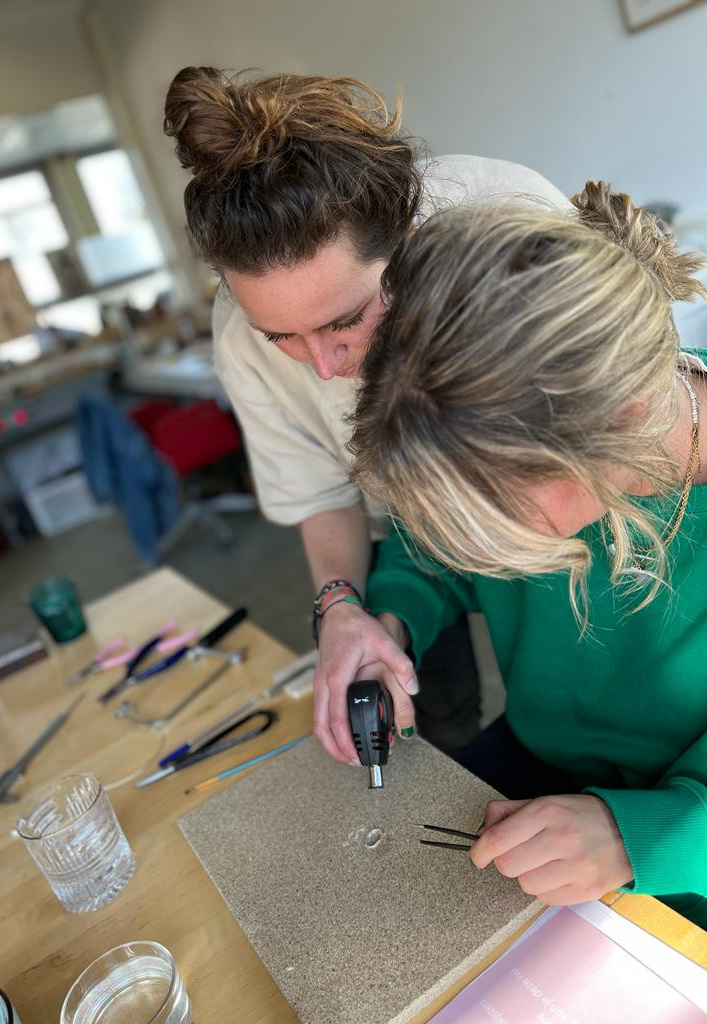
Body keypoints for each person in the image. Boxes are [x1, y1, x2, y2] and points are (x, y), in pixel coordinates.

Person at [163, 65, 570, 759]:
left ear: (410, 238)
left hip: (566, 496)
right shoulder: (238, 336)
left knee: (579, 694)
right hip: (405, 539)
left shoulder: (514, 226)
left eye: (344, 320)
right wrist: (342, 608)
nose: (324, 367)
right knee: (426, 719)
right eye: (283, 337)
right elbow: (324, 494)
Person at [347, 181, 707, 925]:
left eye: (494, 514)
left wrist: (635, 836)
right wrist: (388, 623)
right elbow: (430, 548)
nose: (472, 540)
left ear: (621, 421)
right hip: (540, 759)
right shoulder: (516, 440)